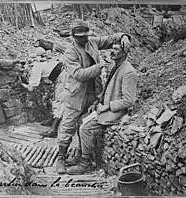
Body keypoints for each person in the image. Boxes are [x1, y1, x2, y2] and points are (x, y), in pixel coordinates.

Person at [56, 19, 132, 174]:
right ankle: (61, 158)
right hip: (76, 95)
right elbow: (78, 74)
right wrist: (98, 67)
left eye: (85, 35)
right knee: (68, 126)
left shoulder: (92, 43)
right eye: (79, 37)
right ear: (73, 36)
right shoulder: (70, 51)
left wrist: (124, 36)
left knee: (84, 125)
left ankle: (81, 156)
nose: (83, 39)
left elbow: (111, 39)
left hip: (94, 94)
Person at [66, 40, 137, 175]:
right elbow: (108, 90)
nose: (112, 51)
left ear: (124, 52)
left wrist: (106, 107)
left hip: (115, 113)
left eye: (116, 49)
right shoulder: (117, 66)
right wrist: (97, 102)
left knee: (85, 128)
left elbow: (129, 101)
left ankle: (85, 164)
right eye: (112, 48)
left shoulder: (128, 72)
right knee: (81, 120)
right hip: (106, 108)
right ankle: (81, 154)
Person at [20, 61, 67, 138]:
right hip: (60, 74)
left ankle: (53, 130)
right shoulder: (38, 65)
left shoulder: (35, 68)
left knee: (59, 101)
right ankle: (52, 120)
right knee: (55, 98)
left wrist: (22, 84)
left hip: (62, 76)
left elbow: (31, 89)